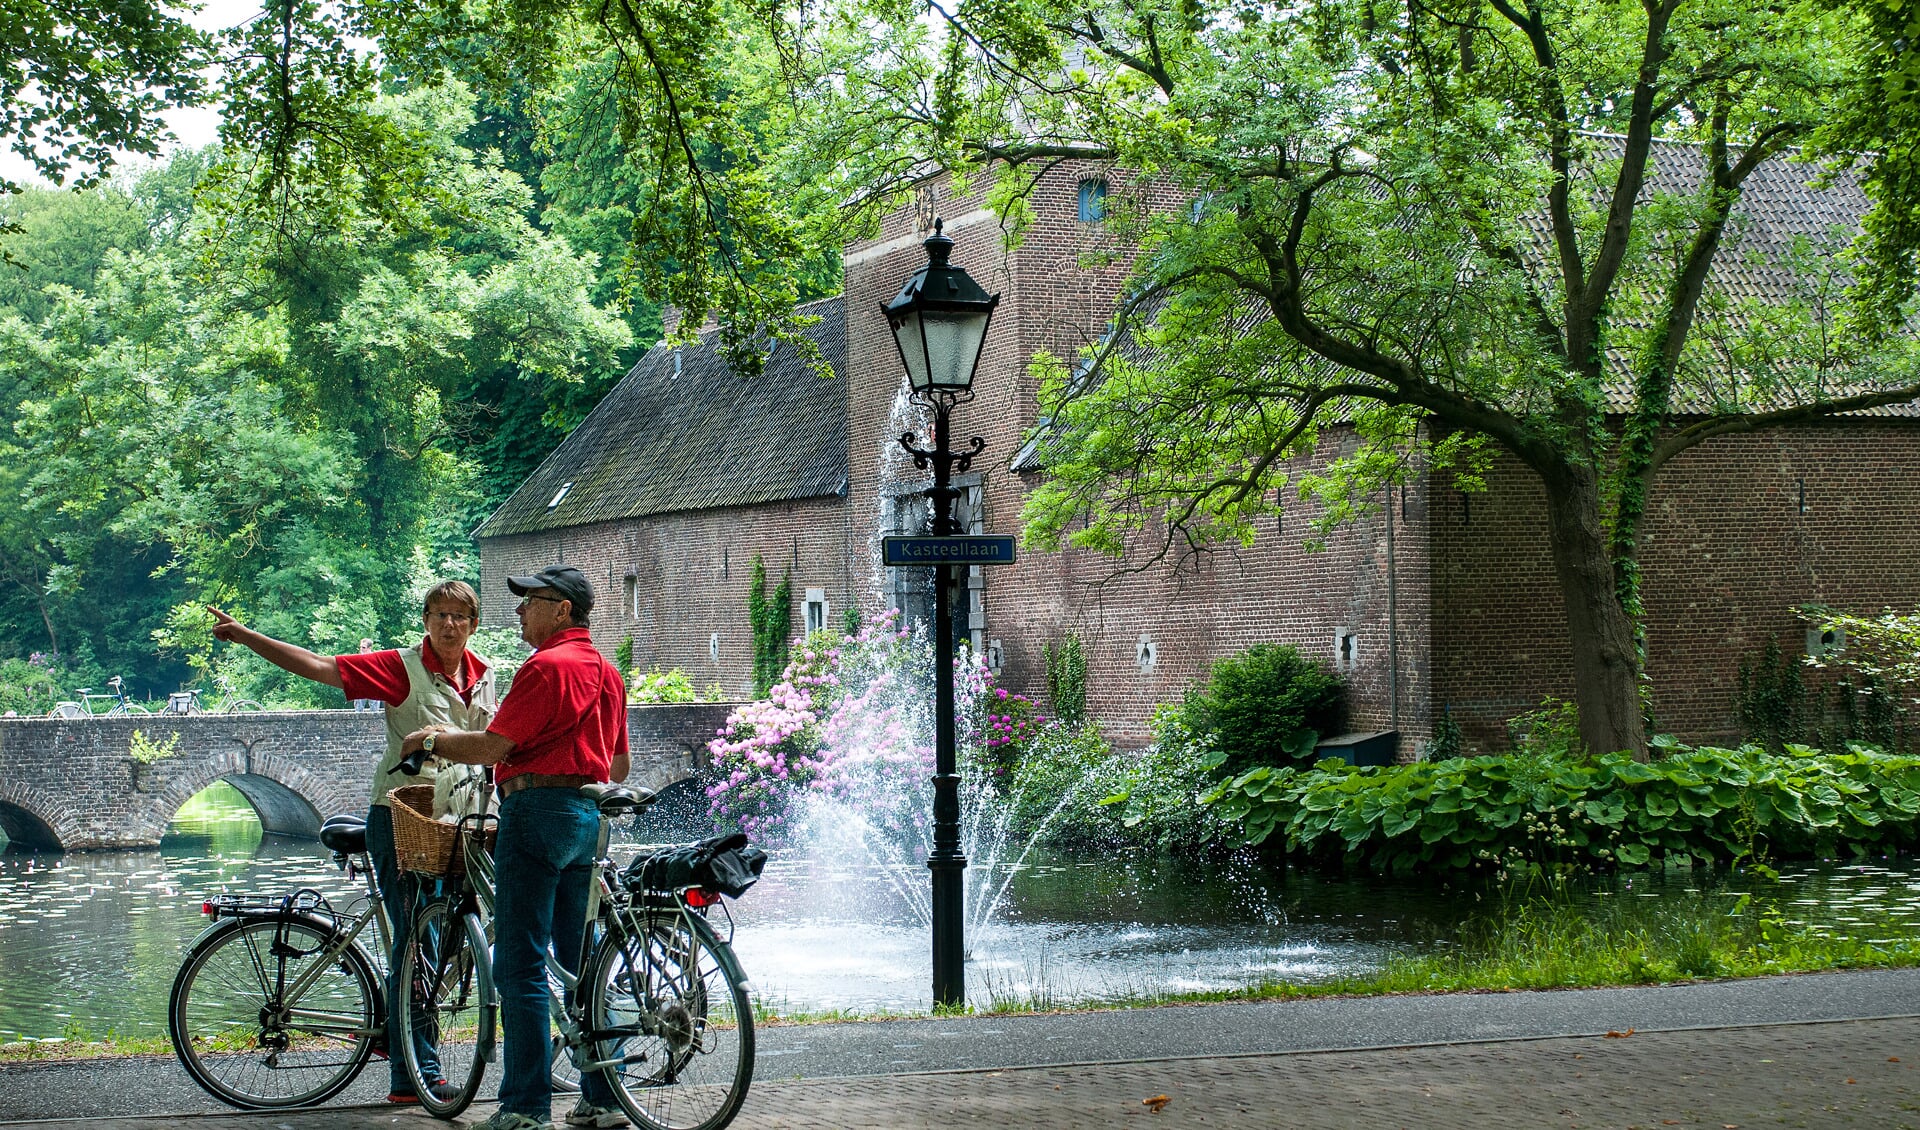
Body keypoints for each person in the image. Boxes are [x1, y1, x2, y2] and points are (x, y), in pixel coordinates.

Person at [207, 581, 495, 1105]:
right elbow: (320, 668)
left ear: (473, 624)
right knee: (416, 943)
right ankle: (413, 1080)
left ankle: (396, 1031)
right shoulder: (400, 667)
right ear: (426, 619)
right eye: (440, 614)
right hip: (402, 817)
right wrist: (250, 638)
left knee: (453, 938)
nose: (450, 625)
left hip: (461, 821)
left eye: (460, 616)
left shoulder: (486, 675)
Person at [398, 565, 630, 1130]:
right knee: (584, 959)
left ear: (564, 610)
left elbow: (493, 745)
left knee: (521, 963)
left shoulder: (545, 667)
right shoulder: (606, 669)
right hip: (587, 815)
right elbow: (618, 765)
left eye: (532, 600)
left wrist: (431, 738)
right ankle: (603, 1096)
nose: (521, 609)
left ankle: (525, 1106)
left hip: (533, 812)